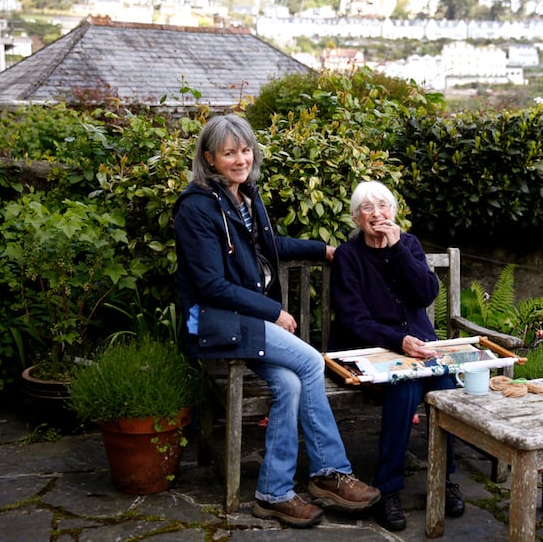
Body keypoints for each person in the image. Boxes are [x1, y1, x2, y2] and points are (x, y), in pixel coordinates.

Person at [173, 114, 380, 528]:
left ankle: (273, 493)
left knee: (288, 382)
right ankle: (329, 473)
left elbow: (272, 245)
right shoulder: (196, 209)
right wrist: (274, 311)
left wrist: (324, 250)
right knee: (310, 362)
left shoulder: (245, 198)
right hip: (218, 323)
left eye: (245, 150)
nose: (240, 159)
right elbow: (211, 284)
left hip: (246, 325)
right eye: (229, 152)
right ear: (210, 158)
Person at [328, 180, 465, 532]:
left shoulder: (410, 245)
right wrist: (398, 339)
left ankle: (444, 477)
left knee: (445, 385)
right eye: (368, 209)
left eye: (384, 206)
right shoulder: (348, 256)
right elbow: (352, 319)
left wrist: (400, 251)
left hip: (418, 348)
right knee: (404, 388)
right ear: (357, 218)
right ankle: (388, 488)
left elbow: (426, 293)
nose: (377, 214)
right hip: (371, 350)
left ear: (394, 212)